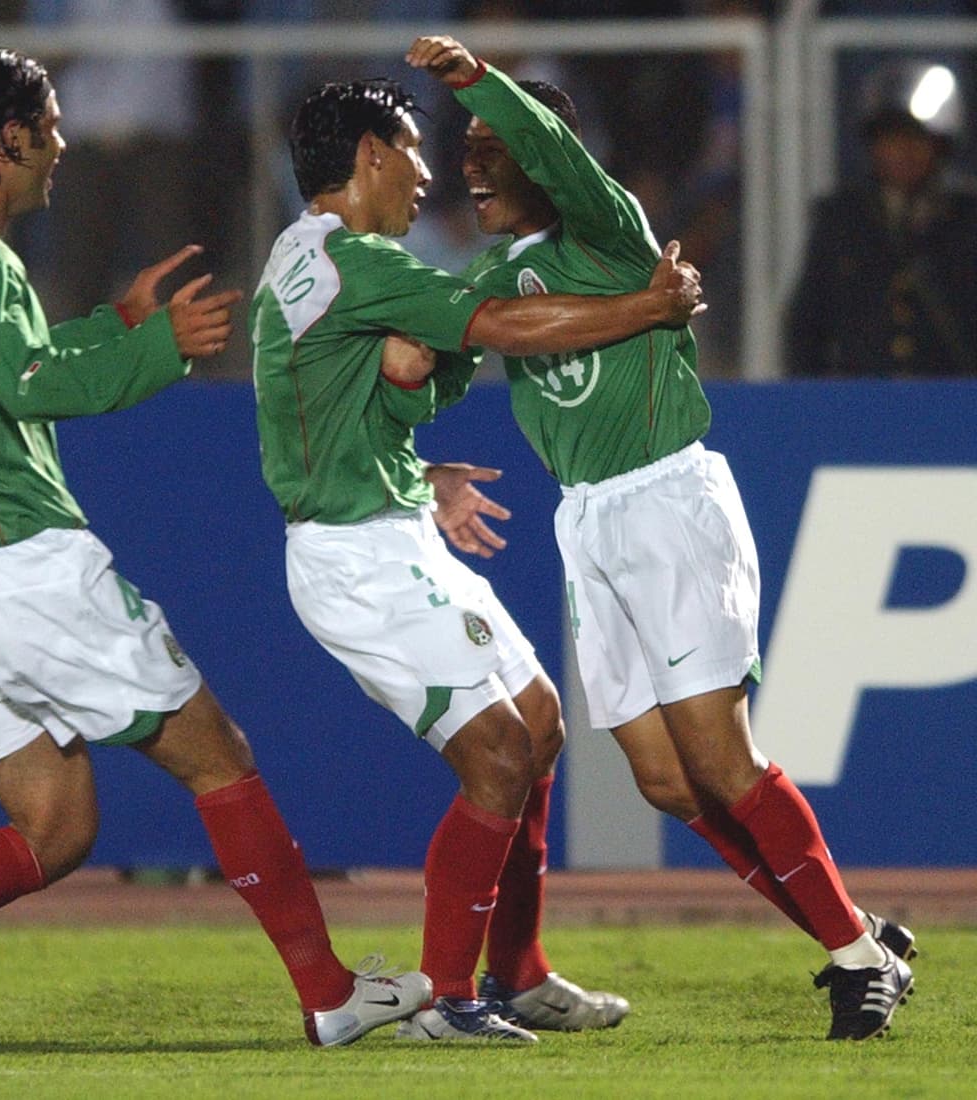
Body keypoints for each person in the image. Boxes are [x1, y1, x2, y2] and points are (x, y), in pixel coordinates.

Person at [0, 45, 432, 1052]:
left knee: (56, 828)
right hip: (28, 571)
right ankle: (328, 990)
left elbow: (3, 369)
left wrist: (112, 323)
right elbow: (39, 385)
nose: (62, 146)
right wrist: (156, 348)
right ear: (6, 139)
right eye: (47, 125)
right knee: (219, 756)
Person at [404, 32, 917, 1041]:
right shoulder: (497, 280)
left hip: (667, 502)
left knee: (722, 760)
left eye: (490, 148)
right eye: (462, 148)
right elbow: (425, 361)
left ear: (541, 150)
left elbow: (550, 151)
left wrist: (477, 81)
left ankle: (855, 958)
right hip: (587, 520)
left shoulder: (604, 228)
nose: (471, 163)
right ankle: (852, 926)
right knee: (665, 778)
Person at [251, 75, 704, 1042]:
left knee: (537, 724)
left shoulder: (314, 259)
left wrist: (420, 468)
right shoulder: (351, 262)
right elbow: (491, 327)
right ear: (371, 154)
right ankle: (448, 1000)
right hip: (358, 556)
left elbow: (379, 384)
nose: (428, 173)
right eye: (413, 149)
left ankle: (520, 970)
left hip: (392, 524)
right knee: (498, 751)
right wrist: (645, 306)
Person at [788, 101, 977, 378]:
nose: (904, 152)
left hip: (951, 393)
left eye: (916, 140)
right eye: (892, 141)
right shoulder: (842, 219)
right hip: (859, 396)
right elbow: (808, 321)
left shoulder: (965, 219)